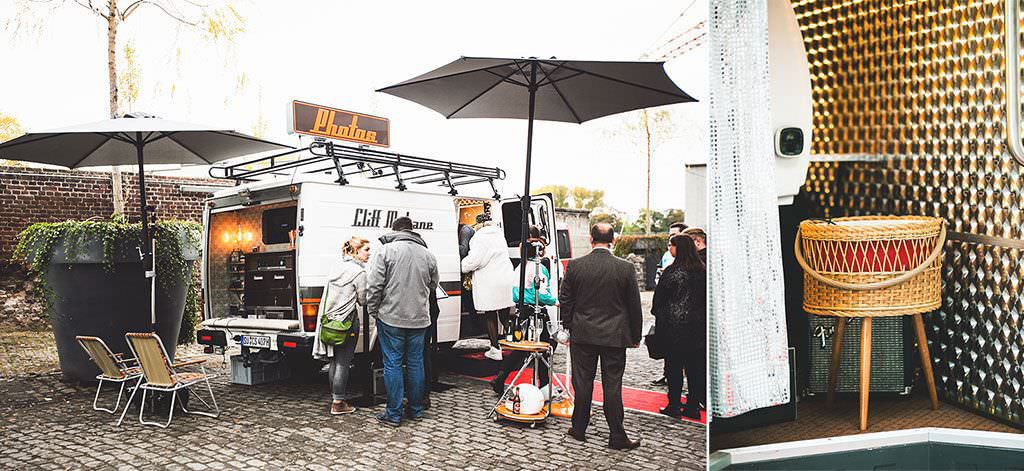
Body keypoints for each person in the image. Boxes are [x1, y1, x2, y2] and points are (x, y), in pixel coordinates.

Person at [560, 223, 643, 450]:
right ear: (613, 240)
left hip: (583, 334)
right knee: (613, 386)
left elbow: (565, 300)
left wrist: (568, 327)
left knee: (582, 384)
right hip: (614, 336)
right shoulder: (625, 268)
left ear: (590, 239)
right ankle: (616, 435)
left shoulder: (576, 266)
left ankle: (578, 429)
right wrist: (636, 335)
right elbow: (634, 306)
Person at [366, 217, 439, 426]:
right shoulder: (428, 255)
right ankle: (415, 410)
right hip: (419, 319)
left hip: (391, 317)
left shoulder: (386, 251)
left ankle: (394, 413)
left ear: (394, 231)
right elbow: (434, 284)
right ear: (411, 230)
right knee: (416, 363)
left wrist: (374, 311)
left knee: (393, 364)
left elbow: (374, 286)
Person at [489, 242, 558, 395]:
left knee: (522, 348)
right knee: (545, 347)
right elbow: (541, 294)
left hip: (523, 312)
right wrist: (555, 301)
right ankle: (545, 386)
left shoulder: (520, 268)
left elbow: (515, 293)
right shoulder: (540, 269)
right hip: (537, 312)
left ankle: (501, 377)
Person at [312, 236, 370, 415]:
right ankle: (338, 403)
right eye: (366, 250)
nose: (369, 253)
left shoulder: (336, 268)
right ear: (355, 251)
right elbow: (363, 300)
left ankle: (335, 398)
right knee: (343, 363)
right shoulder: (359, 273)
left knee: (334, 362)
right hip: (347, 322)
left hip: (330, 322)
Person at [652, 234, 706, 420]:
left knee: (674, 368)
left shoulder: (671, 272)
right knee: (695, 369)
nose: (669, 249)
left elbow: (658, 301)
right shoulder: (702, 271)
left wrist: (660, 314)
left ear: (678, 248)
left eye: (671, 245)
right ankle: (693, 406)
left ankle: (674, 405)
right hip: (698, 328)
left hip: (674, 328)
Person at [461, 212, 516, 361]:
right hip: (505, 278)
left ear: (478, 224)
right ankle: (516, 345)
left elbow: (475, 260)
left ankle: (495, 349)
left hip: (489, 281)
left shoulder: (478, 237)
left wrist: (463, 266)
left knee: (490, 315)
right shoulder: (499, 235)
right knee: (505, 315)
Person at [652, 221, 688, 386]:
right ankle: (667, 375)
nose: (669, 241)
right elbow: (660, 267)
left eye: (674, 235)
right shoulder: (667, 256)